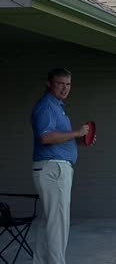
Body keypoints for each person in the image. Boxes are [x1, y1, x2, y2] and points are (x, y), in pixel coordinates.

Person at [31, 68, 93, 264]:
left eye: (68, 84)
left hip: (55, 167)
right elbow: (46, 137)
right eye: (60, 83)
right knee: (58, 223)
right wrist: (76, 133)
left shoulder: (58, 107)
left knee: (49, 221)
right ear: (49, 83)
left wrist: (80, 140)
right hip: (53, 169)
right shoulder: (46, 106)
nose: (65, 88)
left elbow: (57, 138)